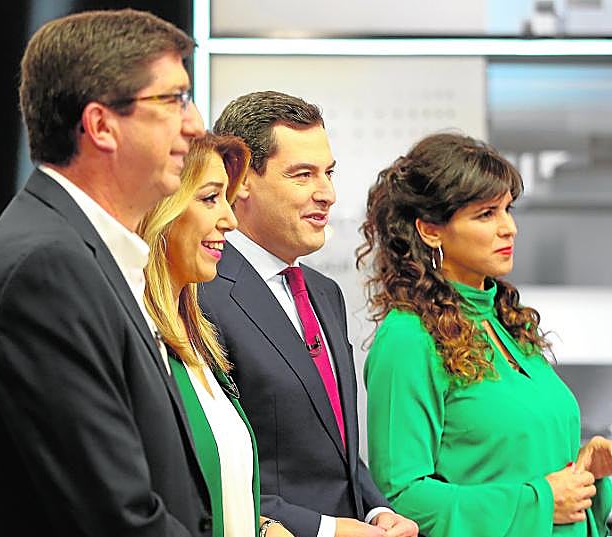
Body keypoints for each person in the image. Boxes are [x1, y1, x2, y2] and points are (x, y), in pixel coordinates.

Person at [0, 9, 212, 536]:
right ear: (101, 125)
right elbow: (116, 517)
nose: (195, 125)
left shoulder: (83, 251)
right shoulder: (47, 268)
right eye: (173, 99)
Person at [357, 131, 612, 536]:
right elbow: (401, 498)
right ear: (430, 230)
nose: (509, 228)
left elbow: (515, 466)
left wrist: (586, 471)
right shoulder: (407, 337)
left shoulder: (507, 321)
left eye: (507, 209)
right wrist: (539, 503)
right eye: (486, 214)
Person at [199, 90, 419, 537]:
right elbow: (212, 469)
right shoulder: (202, 294)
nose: (328, 194)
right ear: (240, 180)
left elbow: (335, 448)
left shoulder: (324, 292)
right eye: (303, 175)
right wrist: (326, 529)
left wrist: (377, 511)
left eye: (329, 173)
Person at [138, 132, 293, 537]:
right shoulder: (136, 339)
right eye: (210, 198)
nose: (230, 219)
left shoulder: (199, 339)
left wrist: (263, 527)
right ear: (162, 207)